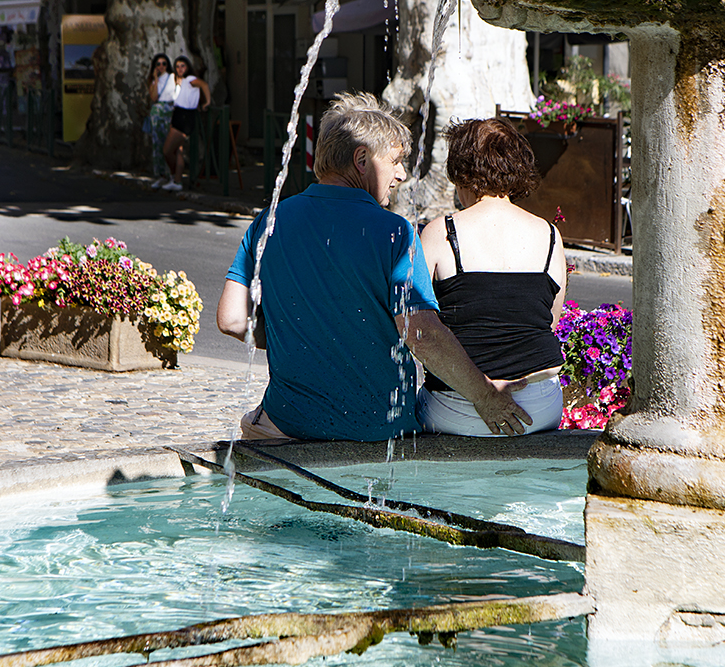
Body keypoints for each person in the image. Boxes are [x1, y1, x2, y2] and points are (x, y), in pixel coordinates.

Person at [216, 92, 532, 442]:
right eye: (395, 161)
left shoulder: (269, 221)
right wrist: (486, 397)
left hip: (287, 427)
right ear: (362, 159)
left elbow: (231, 319)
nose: (402, 174)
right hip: (376, 435)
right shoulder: (393, 231)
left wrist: (292, 335)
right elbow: (421, 333)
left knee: (254, 434)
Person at [416, 118, 568, 436]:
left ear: (461, 172)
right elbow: (547, 322)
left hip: (458, 408)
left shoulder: (441, 232)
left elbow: (421, 331)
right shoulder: (550, 235)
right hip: (538, 407)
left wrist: (482, 394)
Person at [161, 56, 211, 192]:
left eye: (182, 66)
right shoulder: (179, 81)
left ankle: (173, 175)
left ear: (187, 67)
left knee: (167, 150)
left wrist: (207, 102)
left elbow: (204, 85)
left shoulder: (190, 80)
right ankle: (177, 180)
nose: (180, 69)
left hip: (184, 117)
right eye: (177, 66)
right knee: (178, 151)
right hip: (178, 114)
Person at [141, 53, 175, 186]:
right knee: (158, 144)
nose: (161, 66)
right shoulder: (155, 81)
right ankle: (161, 175)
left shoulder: (172, 78)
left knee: (169, 144)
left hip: (169, 113)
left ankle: (172, 174)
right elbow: (154, 97)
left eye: (164, 64)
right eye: (158, 64)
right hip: (157, 114)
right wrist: (155, 77)